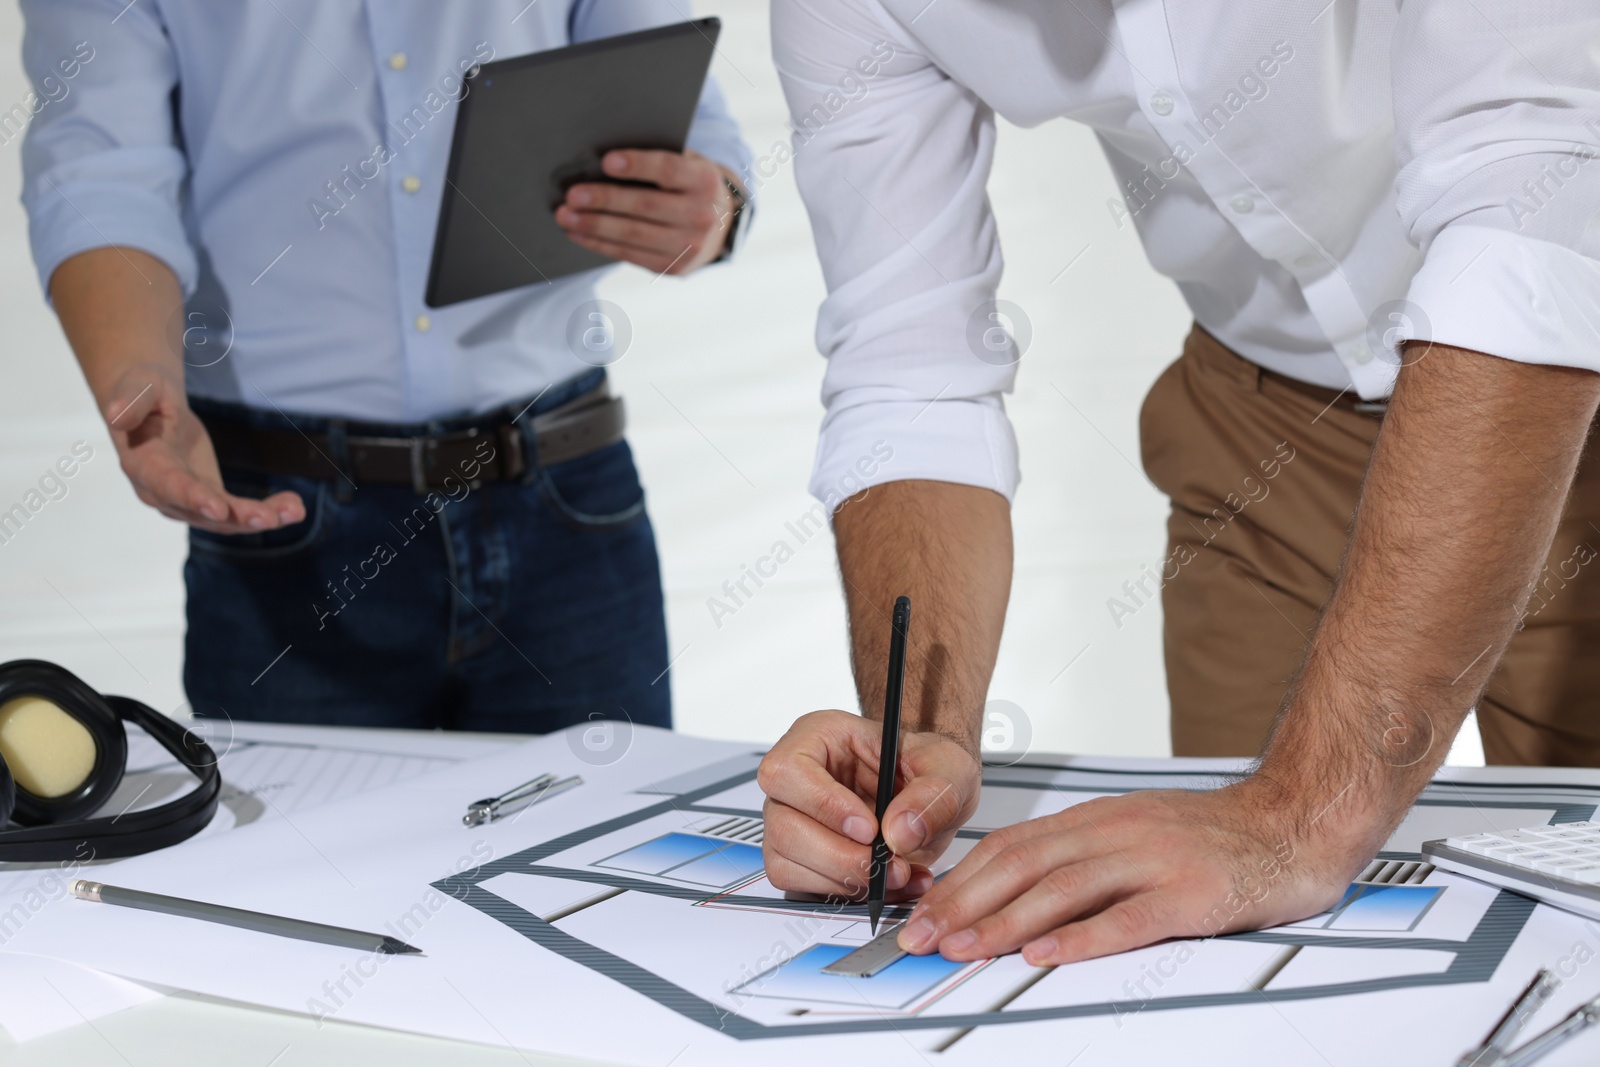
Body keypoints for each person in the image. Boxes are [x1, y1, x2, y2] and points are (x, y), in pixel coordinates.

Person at [757, 0, 1600, 967]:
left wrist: (1299, 814)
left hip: (1564, 386)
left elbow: (1531, 226)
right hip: (1262, 425)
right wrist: (916, 741)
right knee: (1220, 961)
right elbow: (911, 369)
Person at [20, 1, 750, 733]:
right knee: (295, 846)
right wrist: (136, 373)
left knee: (606, 842)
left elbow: (676, 110)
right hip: (283, 521)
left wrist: (709, 209)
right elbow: (99, 166)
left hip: (565, 496)